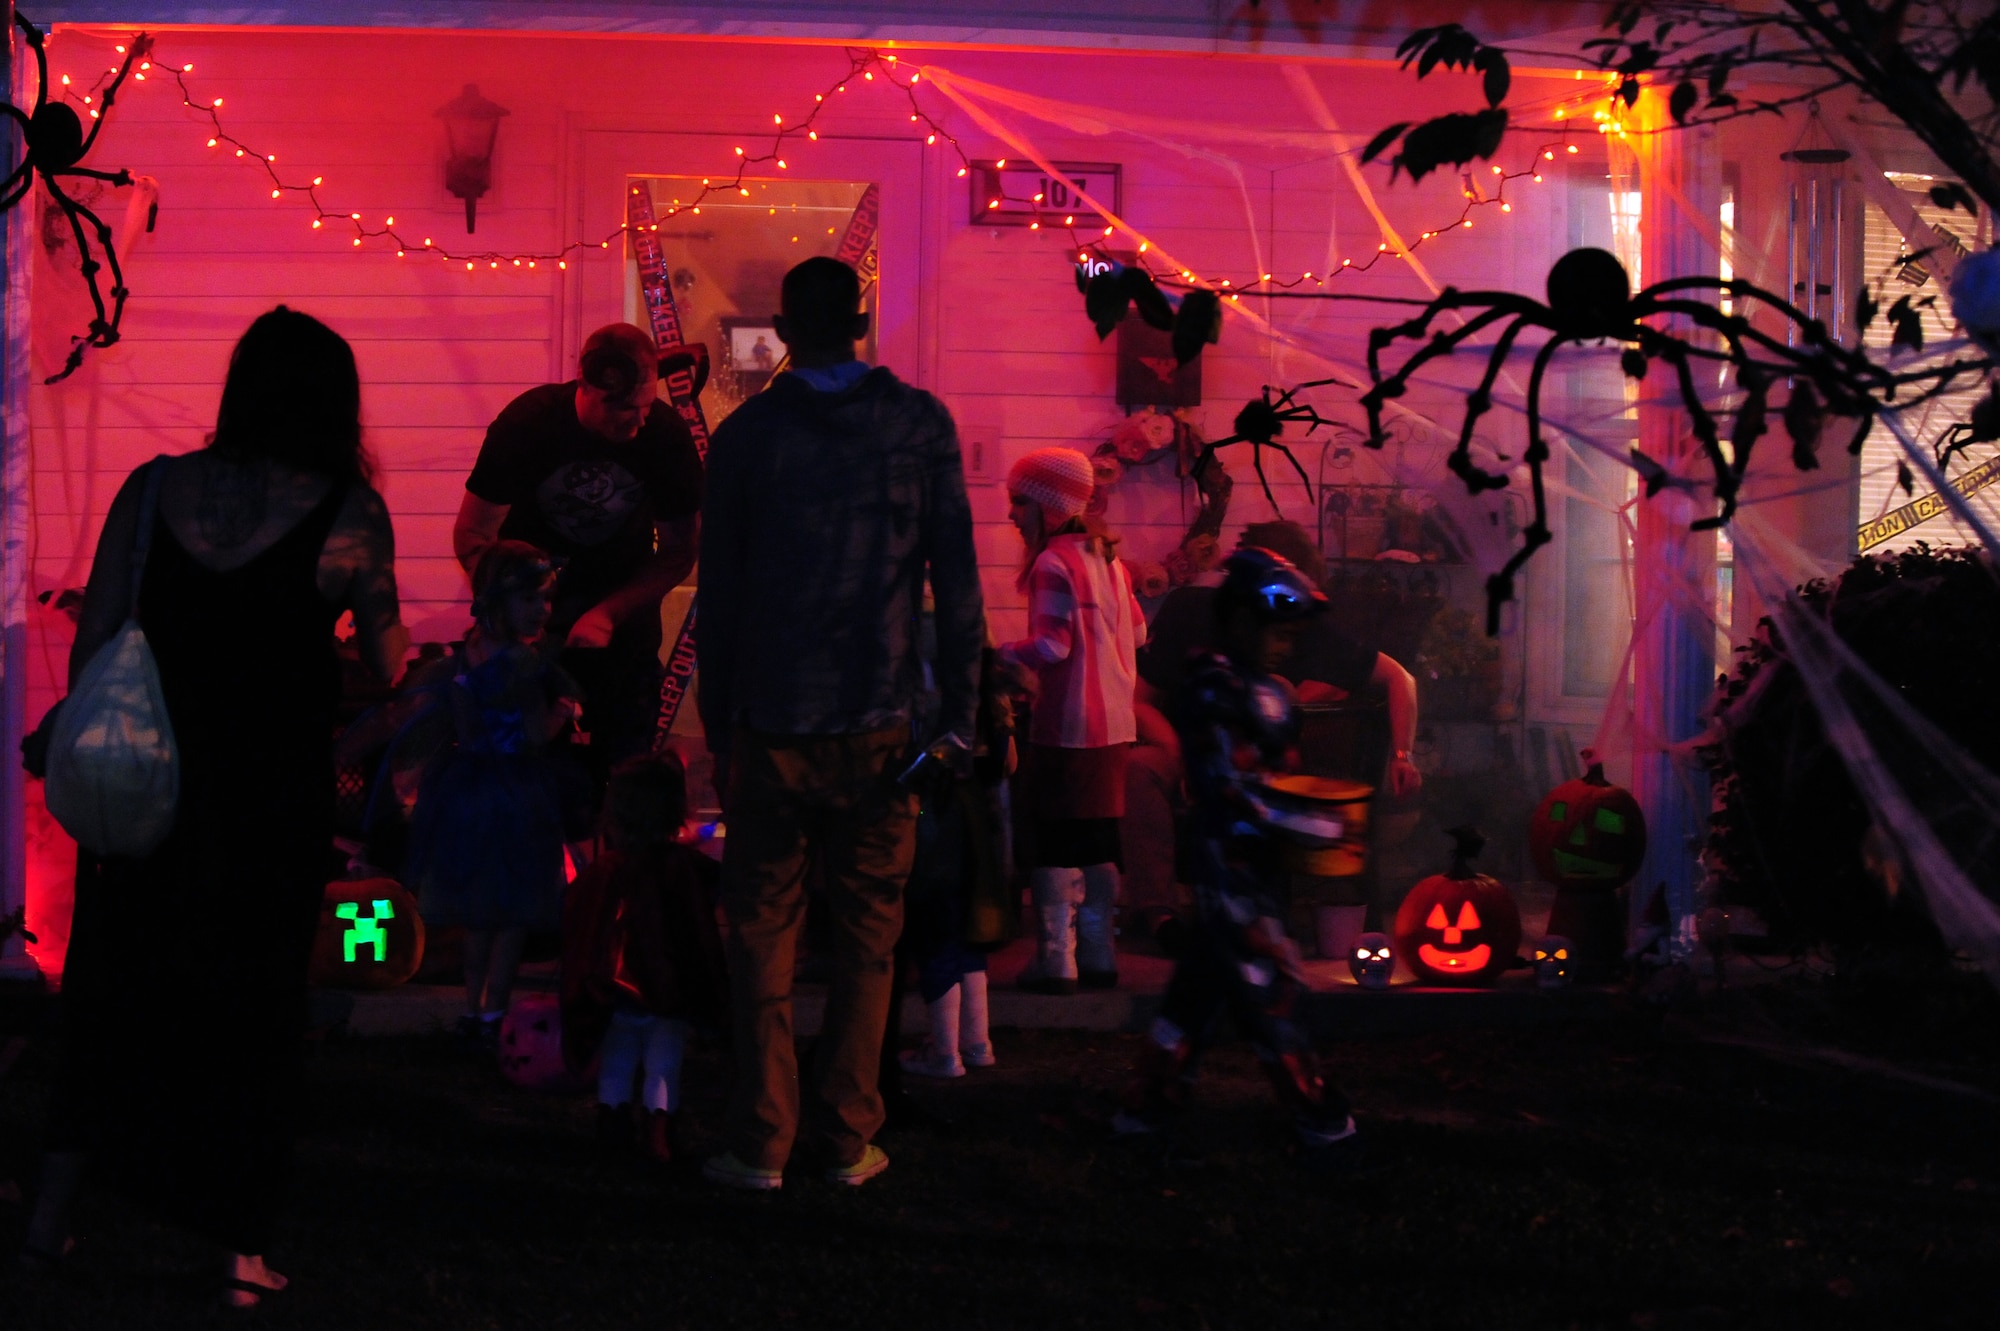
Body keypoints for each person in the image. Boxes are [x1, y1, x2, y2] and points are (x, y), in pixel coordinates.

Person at [24, 307, 407, 1306]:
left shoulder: (153, 491)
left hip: (151, 783)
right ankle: (235, 1245)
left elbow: (101, 626)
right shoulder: (347, 511)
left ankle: (50, 1217)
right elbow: (384, 656)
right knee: (254, 1004)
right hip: (268, 787)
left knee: (112, 988)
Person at [696, 256, 983, 1190]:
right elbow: (960, 582)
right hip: (881, 721)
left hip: (772, 718)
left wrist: (717, 717)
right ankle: (845, 1131)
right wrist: (961, 718)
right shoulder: (917, 427)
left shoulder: (746, 439)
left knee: (761, 933)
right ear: (859, 323)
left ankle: (761, 1136)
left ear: (783, 328)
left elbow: (723, 593)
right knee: (867, 938)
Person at [1114, 548, 1361, 1168]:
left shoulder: (1267, 691)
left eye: (1291, 634)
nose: (1284, 645)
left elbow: (1280, 776)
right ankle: (1322, 1122)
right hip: (1229, 874)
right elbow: (1235, 787)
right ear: (1242, 623)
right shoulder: (1212, 685)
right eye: (1275, 631)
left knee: (1191, 1003)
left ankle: (1142, 1113)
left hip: (1257, 872)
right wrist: (1315, 820)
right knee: (1274, 998)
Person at [1127, 521, 1420, 947]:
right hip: (1187, 747)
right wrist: (1176, 752)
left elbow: (1400, 679)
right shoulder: (1189, 608)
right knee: (1138, 767)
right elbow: (1139, 701)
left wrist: (1402, 754)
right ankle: (1159, 916)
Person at [454, 323, 702, 791]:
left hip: (623, 638)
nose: (640, 421)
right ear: (588, 388)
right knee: (521, 777)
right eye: (627, 410)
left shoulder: (665, 438)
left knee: (624, 782)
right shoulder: (528, 426)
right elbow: (473, 533)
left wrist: (608, 613)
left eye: (647, 407)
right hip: (527, 642)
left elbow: (679, 551)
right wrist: (508, 617)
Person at [404, 541, 583, 1046]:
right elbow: (527, 737)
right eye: (533, 600)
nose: (543, 611)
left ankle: (471, 1007)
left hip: (467, 791)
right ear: (502, 601)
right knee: (512, 912)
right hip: (517, 795)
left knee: (480, 912)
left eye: (547, 601)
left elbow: (466, 726)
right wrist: (561, 713)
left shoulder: (468, 654)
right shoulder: (524, 663)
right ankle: (494, 1014)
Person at [998, 448, 1146, 994]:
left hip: (1066, 722)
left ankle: (1056, 960)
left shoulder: (1051, 563)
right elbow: (1138, 635)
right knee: (1099, 835)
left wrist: (997, 656)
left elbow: (1052, 647)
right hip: (1114, 723)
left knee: (1054, 835)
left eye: (1018, 502)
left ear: (1045, 505)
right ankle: (1100, 954)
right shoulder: (1107, 559)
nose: (1011, 515)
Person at [561, 751, 728, 1167]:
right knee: (663, 1063)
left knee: (618, 1056)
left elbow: (581, 927)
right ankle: (659, 1136)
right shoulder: (683, 868)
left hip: (615, 991)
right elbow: (703, 916)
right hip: (668, 989)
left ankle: (613, 1128)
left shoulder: (605, 871)